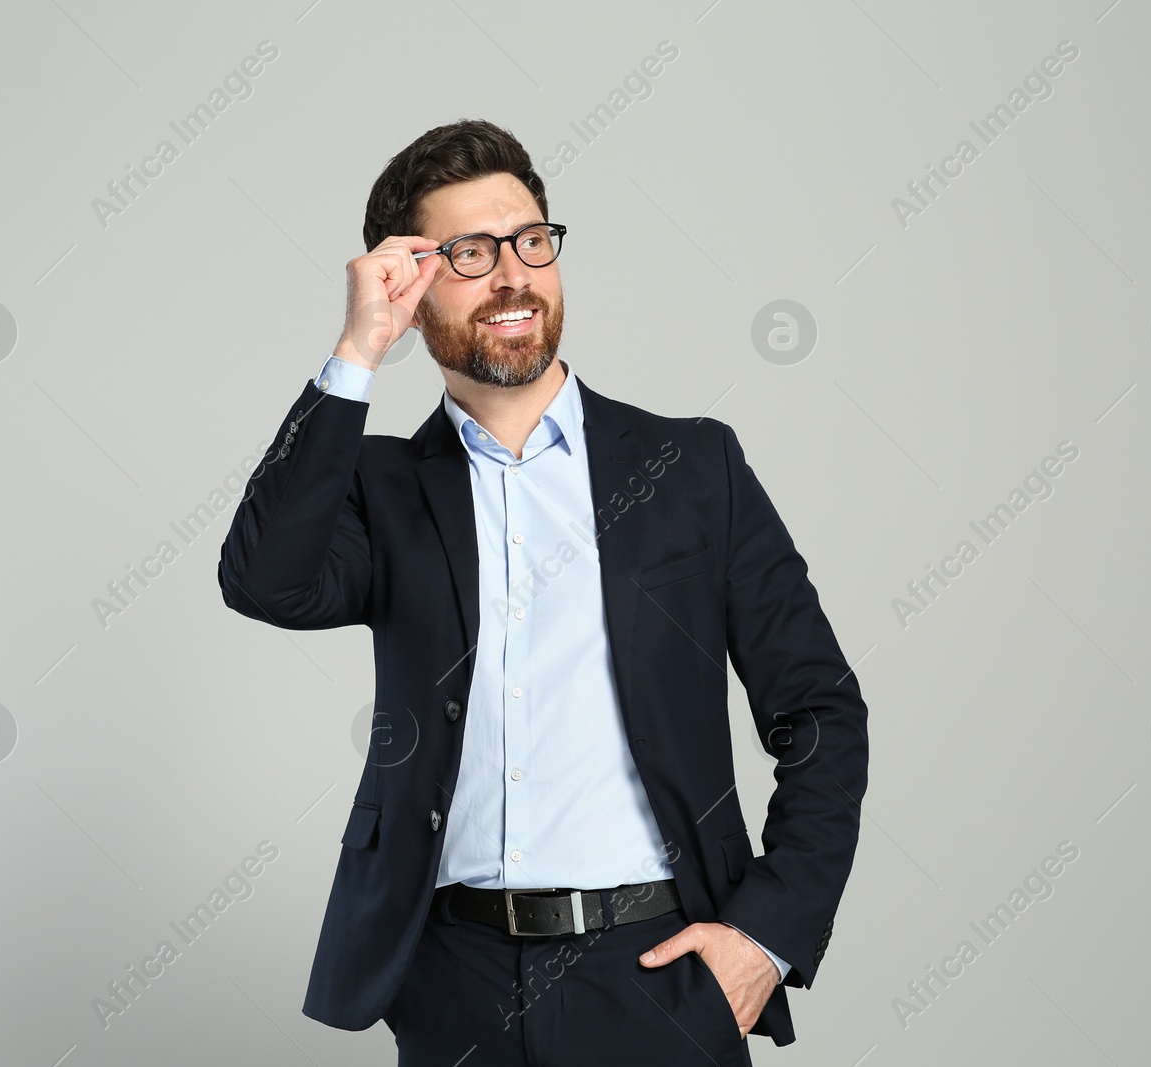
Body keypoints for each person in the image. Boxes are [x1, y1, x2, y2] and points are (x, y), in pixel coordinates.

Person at [218, 118, 869, 1065]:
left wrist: (763, 939)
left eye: (529, 241)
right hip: (452, 981)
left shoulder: (692, 467)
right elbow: (262, 578)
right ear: (408, 277)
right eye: (470, 254)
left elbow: (819, 710)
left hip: (658, 973)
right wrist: (357, 350)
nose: (513, 274)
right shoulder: (384, 489)